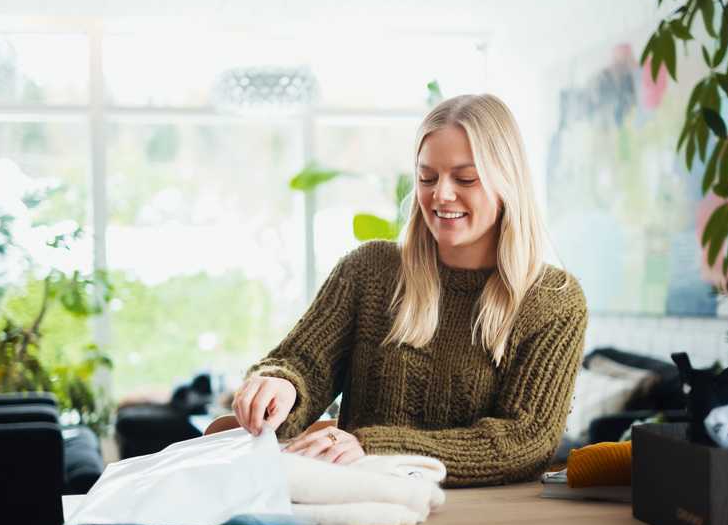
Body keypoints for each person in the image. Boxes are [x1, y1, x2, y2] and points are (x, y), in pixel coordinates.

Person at [233, 93, 587, 487]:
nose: (441, 195)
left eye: (465, 178)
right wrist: (282, 384)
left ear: (507, 181)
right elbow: (302, 363)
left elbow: (527, 440)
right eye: (427, 177)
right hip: (363, 506)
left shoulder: (554, 300)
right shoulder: (368, 270)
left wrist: (375, 447)